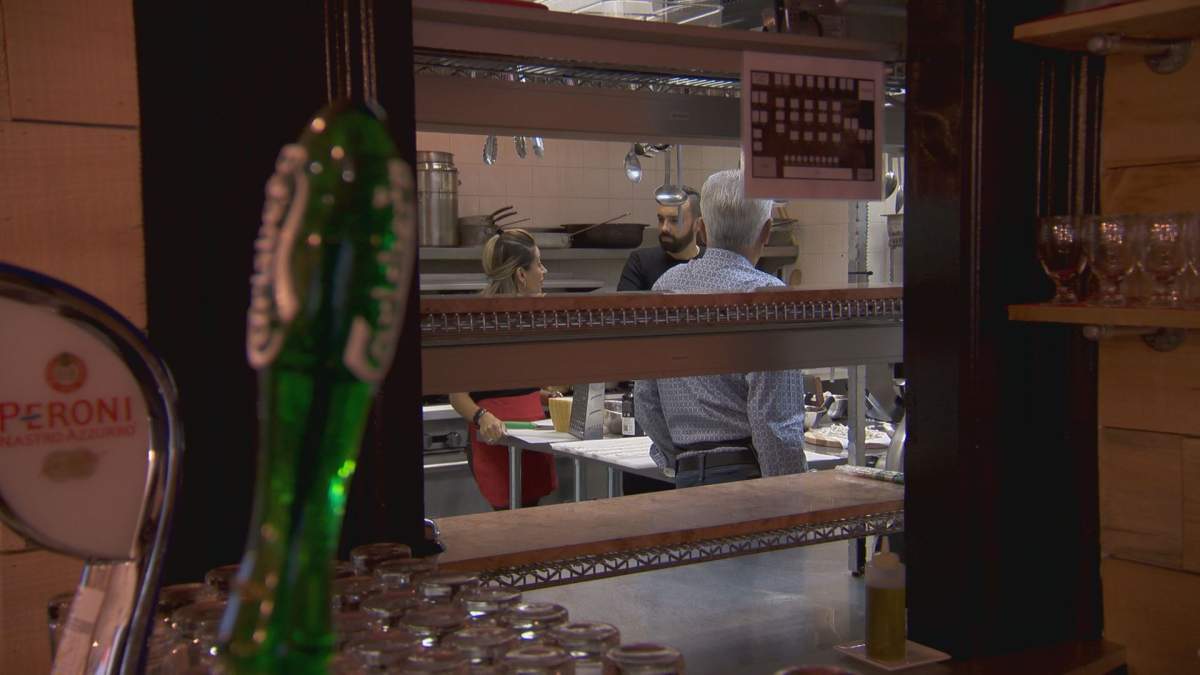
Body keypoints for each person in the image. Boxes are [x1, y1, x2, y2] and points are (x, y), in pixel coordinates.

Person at [635, 170, 807, 488]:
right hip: (745, 476)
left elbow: (646, 398)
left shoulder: (665, 289)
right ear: (766, 232)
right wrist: (789, 496)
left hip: (686, 474)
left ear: (700, 229)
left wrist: (678, 460)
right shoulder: (768, 297)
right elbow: (774, 420)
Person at [449, 229, 558, 509]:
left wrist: (545, 396)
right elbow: (457, 395)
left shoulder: (535, 320)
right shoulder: (477, 324)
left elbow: (522, 385)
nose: (544, 271)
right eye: (539, 264)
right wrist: (483, 416)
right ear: (521, 275)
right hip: (495, 444)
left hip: (533, 438)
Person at [616, 187, 705, 291]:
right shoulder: (641, 262)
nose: (664, 228)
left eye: (674, 221)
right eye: (661, 219)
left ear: (698, 224)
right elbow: (625, 305)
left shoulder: (711, 262)